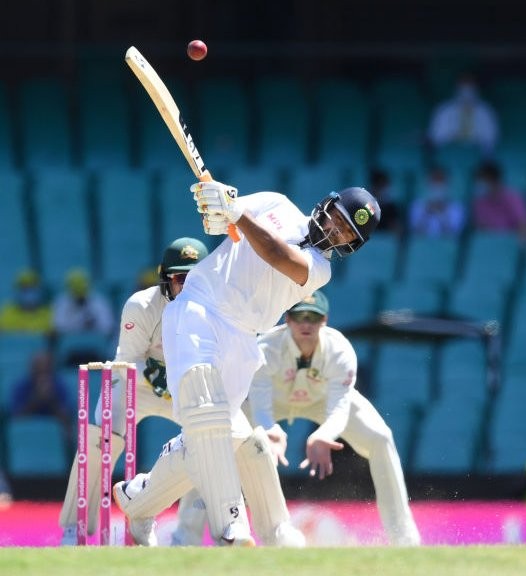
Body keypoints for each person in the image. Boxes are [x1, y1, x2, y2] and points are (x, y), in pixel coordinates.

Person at [113, 180, 381, 547]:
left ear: (351, 244)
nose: (336, 230)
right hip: (200, 307)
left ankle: (139, 501)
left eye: (347, 232)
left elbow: (277, 255)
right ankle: (231, 524)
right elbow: (220, 222)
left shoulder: (320, 268)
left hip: (242, 338)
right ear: (326, 205)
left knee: (226, 437)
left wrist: (236, 211)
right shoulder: (275, 203)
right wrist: (217, 204)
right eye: (338, 218)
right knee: (206, 415)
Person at [58, 237, 212, 545]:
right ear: (165, 278)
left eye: (195, 278)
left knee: (209, 441)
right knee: (99, 437)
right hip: (136, 385)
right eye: (180, 278)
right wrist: (156, 375)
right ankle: (75, 527)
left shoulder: (216, 307)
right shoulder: (141, 305)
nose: (187, 286)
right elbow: (127, 361)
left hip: (185, 387)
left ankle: (179, 530)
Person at [246, 291, 420, 545]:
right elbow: (259, 403)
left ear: (324, 320)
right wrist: (269, 430)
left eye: (313, 318)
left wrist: (323, 434)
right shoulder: (266, 348)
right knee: (218, 437)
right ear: (287, 319)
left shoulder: (340, 349)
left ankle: (404, 538)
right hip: (274, 400)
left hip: (322, 399)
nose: (306, 324)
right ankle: (219, 531)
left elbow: (339, 406)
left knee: (381, 438)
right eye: (299, 317)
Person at [9, 350, 75, 443]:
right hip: (26, 437)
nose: (42, 373)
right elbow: (17, 419)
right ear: (32, 369)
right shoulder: (20, 386)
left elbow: (67, 419)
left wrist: (52, 400)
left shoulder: (60, 386)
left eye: (46, 370)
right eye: (38, 369)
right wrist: (36, 399)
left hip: (55, 437)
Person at [427, 71, 499, 156]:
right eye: (463, 86)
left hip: (477, 152)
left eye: (470, 86)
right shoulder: (444, 110)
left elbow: (491, 138)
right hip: (448, 151)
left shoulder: (486, 111)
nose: (466, 90)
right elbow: (435, 137)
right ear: (456, 88)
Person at [471, 160, 526, 244]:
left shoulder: (513, 198)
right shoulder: (478, 203)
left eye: (482, 180)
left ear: (493, 180)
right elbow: (479, 228)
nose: (479, 184)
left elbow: (524, 224)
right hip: (488, 244)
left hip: (510, 243)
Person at [409, 165, 465, 237]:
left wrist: (442, 214)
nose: (437, 185)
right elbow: (415, 232)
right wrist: (426, 212)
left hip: (446, 244)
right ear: (427, 182)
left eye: (441, 180)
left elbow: (454, 235)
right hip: (422, 243)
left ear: (448, 183)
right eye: (434, 180)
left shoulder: (456, 207)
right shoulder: (417, 205)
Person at [0, 269, 53, 334]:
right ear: (16, 290)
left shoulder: (50, 315)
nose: (29, 292)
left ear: (41, 290)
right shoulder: (6, 313)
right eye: (24, 288)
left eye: (33, 288)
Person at [368, 167, 403, 236]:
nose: (383, 190)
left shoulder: (391, 208)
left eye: (384, 186)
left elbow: (397, 229)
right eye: (380, 186)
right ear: (373, 187)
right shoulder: (365, 205)